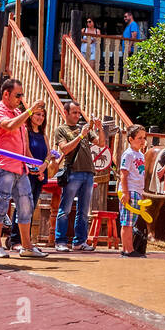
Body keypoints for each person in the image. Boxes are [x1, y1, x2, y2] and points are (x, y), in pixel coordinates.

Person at [0, 78, 43, 258]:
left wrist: (33, 163)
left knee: (26, 206)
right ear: (6, 94)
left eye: (22, 95)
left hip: (20, 168)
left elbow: (23, 143)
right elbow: (10, 126)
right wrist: (30, 110)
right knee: (1, 205)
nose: (21, 98)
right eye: (18, 95)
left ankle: (26, 246)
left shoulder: (17, 112)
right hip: (3, 166)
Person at [53, 101, 105, 253]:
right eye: (74, 112)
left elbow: (101, 144)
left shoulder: (84, 129)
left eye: (78, 113)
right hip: (73, 172)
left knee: (83, 211)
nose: (77, 115)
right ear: (66, 113)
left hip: (88, 172)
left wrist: (99, 128)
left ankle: (80, 241)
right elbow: (65, 149)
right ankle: (60, 241)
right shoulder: (61, 129)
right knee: (65, 209)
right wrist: (81, 135)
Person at [23, 103, 54, 254]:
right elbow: (27, 150)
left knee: (33, 204)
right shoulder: (26, 132)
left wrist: (44, 166)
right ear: (31, 116)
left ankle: (28, 240)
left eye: (42, 115)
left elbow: (48, 153)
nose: (40, 118)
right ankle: (19, 238)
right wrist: (35, 167)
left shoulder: (43, 134)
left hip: (41, 173)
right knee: (24, 206)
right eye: (37, 115)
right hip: (29, 172)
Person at [119, 124, 149, 258]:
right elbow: (123, 174)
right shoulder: (128, 154)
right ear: (130, 139)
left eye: (144, 138)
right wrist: (125, 192)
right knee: (127, 222)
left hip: (136, 191)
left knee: (131, 221)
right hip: (129, 190)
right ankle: (128, 249)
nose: (142, 141)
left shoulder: (140, 155)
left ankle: (128, 248)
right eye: (139, 138)